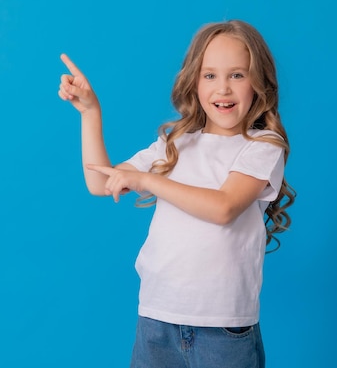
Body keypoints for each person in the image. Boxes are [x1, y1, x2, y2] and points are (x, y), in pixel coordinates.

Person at [57, 19, 295, 368]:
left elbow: (224, 207)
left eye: (238, 75)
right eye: (210, 75)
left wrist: (149, 182)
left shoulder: (262, 146)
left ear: (260, 83)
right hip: (157, 317)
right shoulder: (176, 144)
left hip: (223, 328)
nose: (223, 88)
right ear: (194, 82)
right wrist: (91, 113)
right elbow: (100, 182)